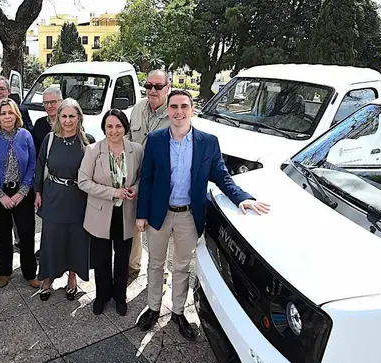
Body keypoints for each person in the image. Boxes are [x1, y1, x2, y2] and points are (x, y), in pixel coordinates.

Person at [135, 89, 270, 340]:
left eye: (184, 106)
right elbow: (148, 179)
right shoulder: (155, 140)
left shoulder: (208, 142)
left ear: (192, 110)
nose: (179, 112)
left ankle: (177, 311)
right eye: (174, 107)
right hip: (158, 214)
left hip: (188, 215)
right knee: (155, 263)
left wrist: (243, 198)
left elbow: (221, 176)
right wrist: (141, 214)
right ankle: (153, 307)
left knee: (182, 267)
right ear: (168, 111)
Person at [78, 110, 143, 316]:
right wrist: (113, 192)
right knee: (101, 258)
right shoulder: (93, 150)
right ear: (104, 128)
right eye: (109, 126)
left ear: (125, 127)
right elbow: (83, 181)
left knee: (123, 259)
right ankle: (102, 295)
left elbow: (143, 178)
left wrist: (135, 189)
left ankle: (120, 297)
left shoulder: (136, 149)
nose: (114, 131)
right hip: (100, 213)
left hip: (126, 214)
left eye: (118, 126)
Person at [34, 98, 95, 301]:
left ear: (79, 118)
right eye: (64, 116)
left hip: (78, 198)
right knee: (51, 239)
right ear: (58, 117)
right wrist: (38, 192)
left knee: (76, 239)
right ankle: (47, 278)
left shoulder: (88, 141)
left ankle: (72, 277)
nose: (68, 121)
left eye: (72, 116)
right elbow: (40, 165)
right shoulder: (50, 139)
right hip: (53, 195)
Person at [0, 98, 39, 289]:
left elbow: (32, 164)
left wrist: (23, 192)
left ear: (16, 115)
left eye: (10, 112)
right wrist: (0, 195)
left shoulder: (25, 135)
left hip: (22, 192)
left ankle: (30, 272)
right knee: (4, 234)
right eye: (3, 113)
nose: (7, 116)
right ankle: (5, 272)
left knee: (27, 233)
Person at [0, 77, 33, 261]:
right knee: (0, 226)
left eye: (2, 88)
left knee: (24, 228)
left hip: (21, 186)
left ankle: (22, 249)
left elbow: (30, 151)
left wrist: (25, 188)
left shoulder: (24, 128)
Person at [128, 70, 172, 278]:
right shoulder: (137, 108)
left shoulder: (174, 112)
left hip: (159, 181)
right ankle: (133, 264)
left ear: (168, 88)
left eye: (158, 86)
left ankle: (159, 274)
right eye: (148, 86)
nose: (152, 90)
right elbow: (128, 138)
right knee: (134, 221)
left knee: (158, 230)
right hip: (136, 176)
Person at [31, 87, 63, 152]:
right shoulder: (39, 124)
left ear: (61, 102)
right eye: (46, 103)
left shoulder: (69, 123)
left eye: (53, 102)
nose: (49, 106)